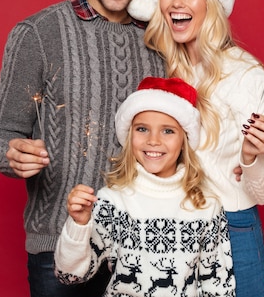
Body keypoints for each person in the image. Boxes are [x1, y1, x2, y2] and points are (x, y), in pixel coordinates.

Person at [0, 0, 164, 297]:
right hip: (58, 245)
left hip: (141, 245)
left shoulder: (162, 40)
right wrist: (11, 153)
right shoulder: (39, 34)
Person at [127, 0, 264, 296]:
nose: (177, 3)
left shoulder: (248, 76)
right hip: (170, 233)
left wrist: (252, 157)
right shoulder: (160, 68)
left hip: (232, 233)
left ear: (212, 2)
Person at [54, 77, 236, 296]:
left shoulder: (206, 206)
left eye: (168, 131)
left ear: (184, 141)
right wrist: (79, 224)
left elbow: (218, 286)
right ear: (129, 136)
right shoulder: (112, 200)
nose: (153, 140)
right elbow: (70, 275)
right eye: (142, 129)